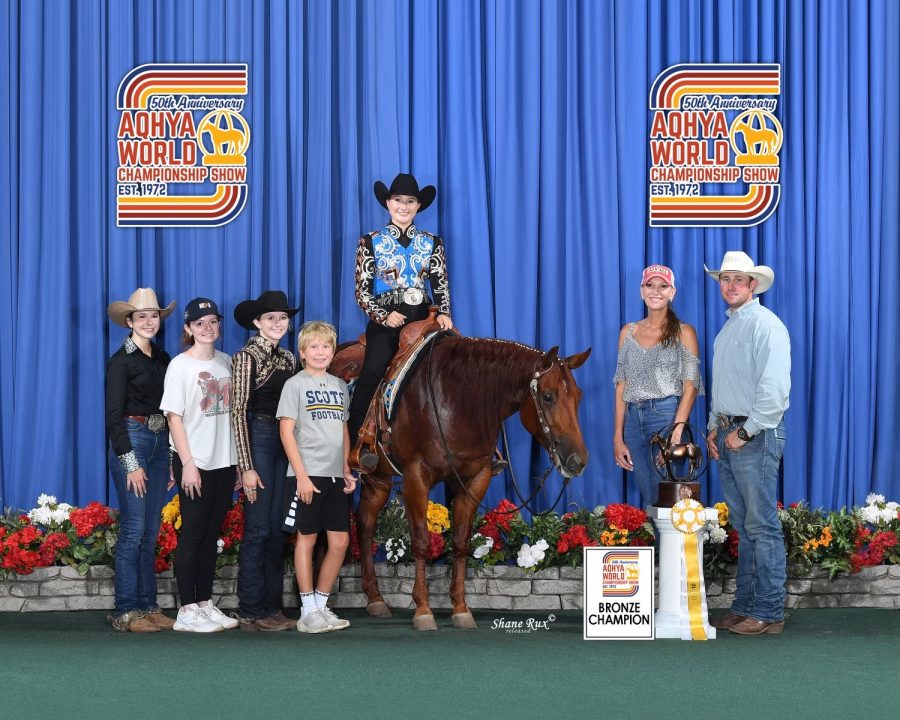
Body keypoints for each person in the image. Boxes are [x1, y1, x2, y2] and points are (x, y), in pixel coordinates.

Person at [704, 251, 791, 635]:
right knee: (745, 524)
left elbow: (774, 389)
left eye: (738, 279)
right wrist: (714, 426)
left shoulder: (765, 325)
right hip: (731, 432)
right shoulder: (729, 329)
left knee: (761, 525)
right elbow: (724, 386)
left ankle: (770, 611)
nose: (731, 286)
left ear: (753, 285)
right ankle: (745, 606)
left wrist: (745, 432)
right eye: (725, 279)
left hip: (752, 435)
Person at [347, 173, 453, 469]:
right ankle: (358, 441)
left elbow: (441, 284)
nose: (403, 206)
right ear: (387, 203)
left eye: (410, 201)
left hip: (422, 316)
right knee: (372, 372)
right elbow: (362, 291)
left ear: (419, 205)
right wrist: (383, 315)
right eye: (398, 200)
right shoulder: (371, 242)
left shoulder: (432, 243)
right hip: (386, 318)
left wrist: (444, 311)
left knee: (455, 364)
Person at [160, 297, 239, 633]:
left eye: (213, 322)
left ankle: (205, 602)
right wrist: (187, 463)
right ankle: (186, 608)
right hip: (196, 460)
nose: (208, 328)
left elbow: (234, 417)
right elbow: (174, 418)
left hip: (224, 460)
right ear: (188, 329)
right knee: (192, 534)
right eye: (200, 323)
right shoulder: (180, 365)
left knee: (210, 535)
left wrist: (237, 462)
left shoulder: (227, 361)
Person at [278, 321, 356, 633]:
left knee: (339, 541)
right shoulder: (294, 385)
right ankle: (307, 610)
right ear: (302, 352)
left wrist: (347, 468)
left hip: (334, 475)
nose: (320, 352)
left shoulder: (339, 386)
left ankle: (322, 606)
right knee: (306, 539)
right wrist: (302, 477)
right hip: (307, 474)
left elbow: (343, 430)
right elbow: (286, 432)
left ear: (332, 350)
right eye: (314, 347)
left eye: (326, 346)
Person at [105, 288, 176, 632]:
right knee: (133, 530)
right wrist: (130, 462)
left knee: (150, 531)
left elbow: (173, 409)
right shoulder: (120, 361)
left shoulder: (163, 359)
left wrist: (173, 454)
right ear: (129, 321)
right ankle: (125, 611)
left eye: (154, 316)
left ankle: (148, 605)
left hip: (161, 441)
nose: (149, 322)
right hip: (132, 439)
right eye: (142, 317)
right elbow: (113, 415)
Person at [231, 290, 298, 631]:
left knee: (276, 529)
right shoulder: (246, 357)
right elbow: (238, 412)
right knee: (258, 528)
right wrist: (246, 466)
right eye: (270, 318)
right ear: (257, 322)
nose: (277, 323)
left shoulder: (289, 358)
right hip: (258, 437)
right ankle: (250, 609)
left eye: (282, 318)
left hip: (283, 441)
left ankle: (272, 607)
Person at [613, 265, 704, 508]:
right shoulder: (628, 332)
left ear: (672, 292)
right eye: (650, 285)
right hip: (634, 421)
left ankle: (673, 546)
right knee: (651, 499)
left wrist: (677, 429)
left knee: (669, 498)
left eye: (662, 286)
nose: (656, 291)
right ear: (642, 291)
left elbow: (691, 385)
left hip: (665, 416)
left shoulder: (683, 332)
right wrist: (618, 436)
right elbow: (622, 385)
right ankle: (661, 545)